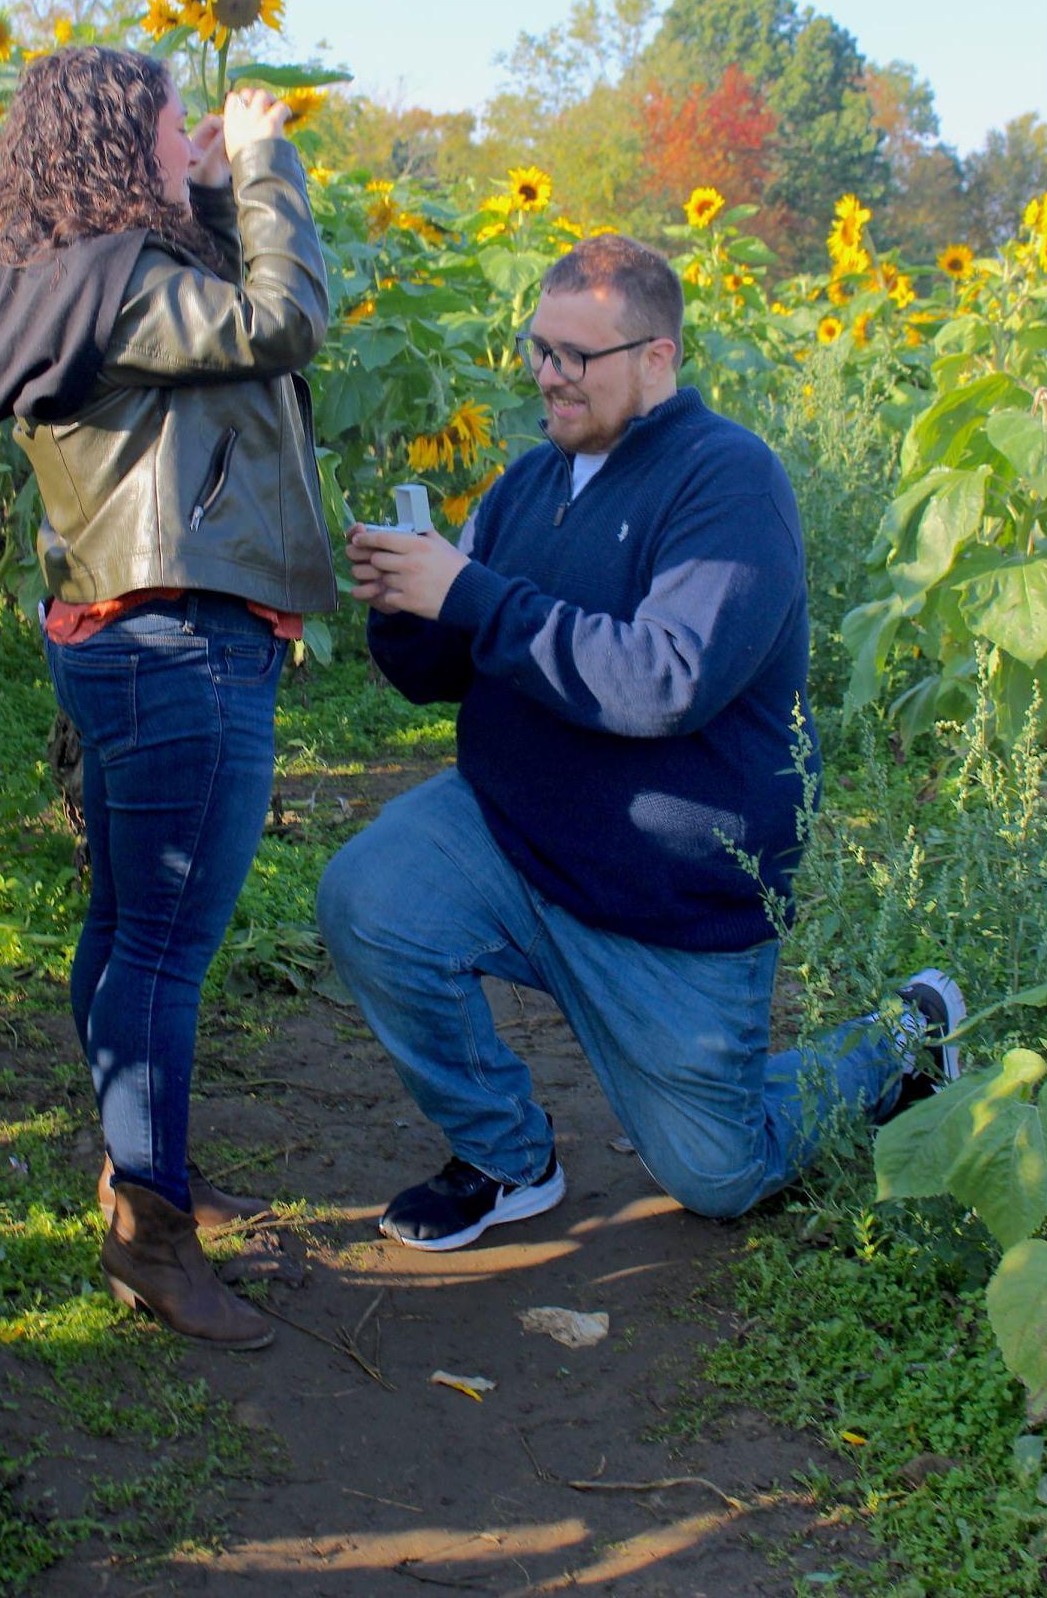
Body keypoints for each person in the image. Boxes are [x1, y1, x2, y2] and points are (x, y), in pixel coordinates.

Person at [317, 234, 966, 1250]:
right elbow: (440, 672)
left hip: (667, 898)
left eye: (579, 356)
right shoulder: (531, 481)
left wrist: (470, 592)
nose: (549, 374)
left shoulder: (729, 483)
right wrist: (409, 604)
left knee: (718, 1173)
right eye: (539, 348)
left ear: (658, 358)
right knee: (370, 896)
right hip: (510, 835)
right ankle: (504, 1158)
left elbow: (663, 681)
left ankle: (901, 1039)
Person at [0, 48, 335, 1345]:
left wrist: (220, 197)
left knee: (127, 927)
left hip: (125, 630)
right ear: (124, 147)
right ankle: (151, 1245)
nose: (195, 146)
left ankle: (141, 1171)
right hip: (179, 641)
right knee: (163, 949)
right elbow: (282, 323)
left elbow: (227, 319)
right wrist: (272, 166)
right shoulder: (124, 291)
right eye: (179, 132)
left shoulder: (79, 282)